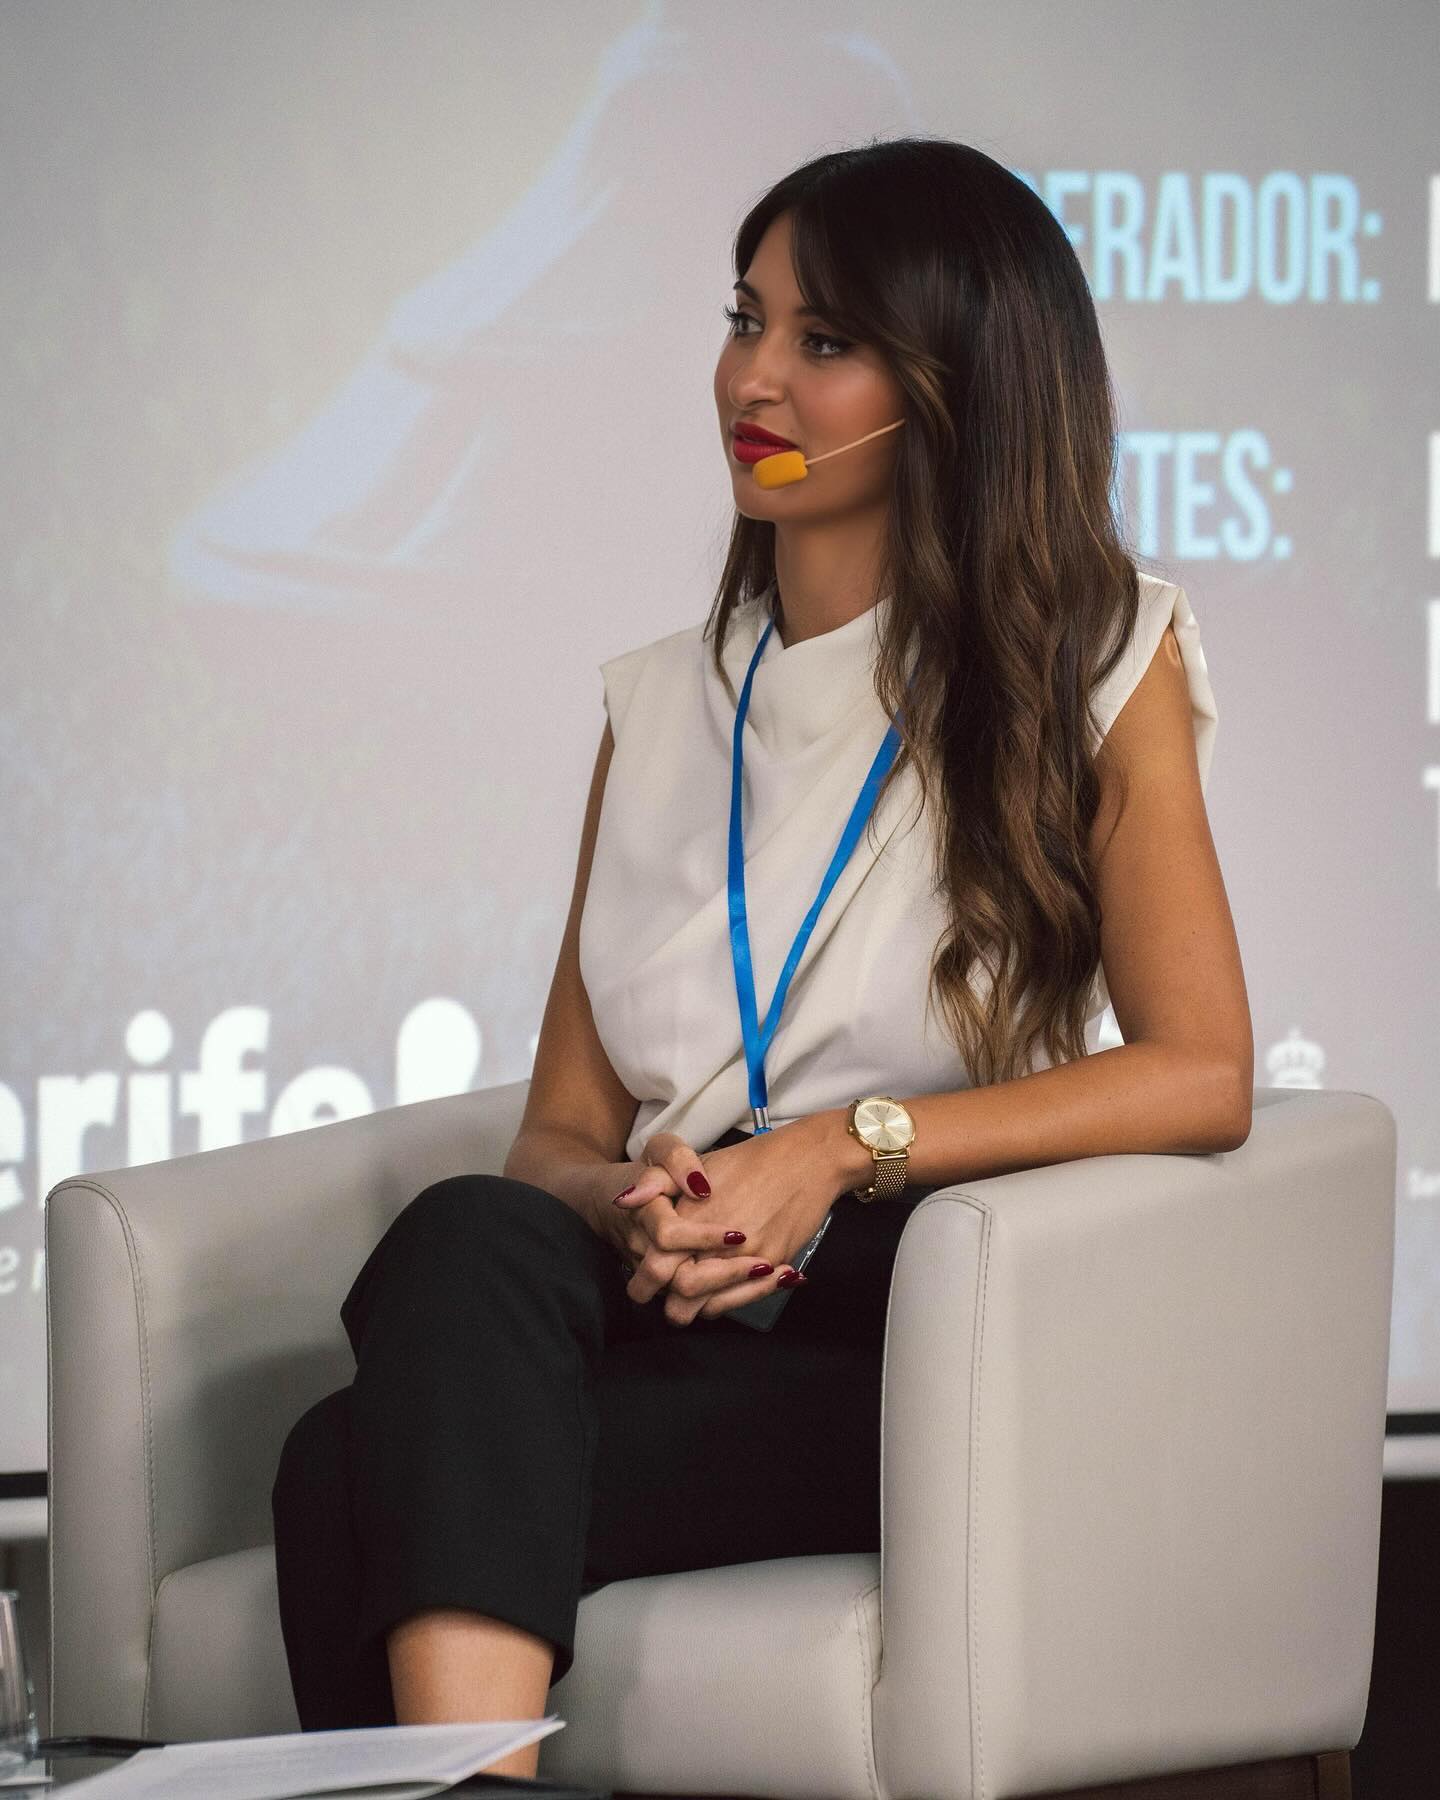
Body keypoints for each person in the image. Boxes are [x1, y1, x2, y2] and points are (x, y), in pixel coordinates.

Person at [270, 136, 1252, 1782]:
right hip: (677, 1296)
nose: (753, 379)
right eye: (746, 320)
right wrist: (639, 1197)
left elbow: (1203, 1072)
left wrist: (834, 1154)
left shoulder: (1097, 653)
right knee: (470, 1235)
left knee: (341, 1469)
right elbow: (555, 1138)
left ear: (955, 383)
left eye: (825, 338)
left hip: (920, 1327)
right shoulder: (659, 702)